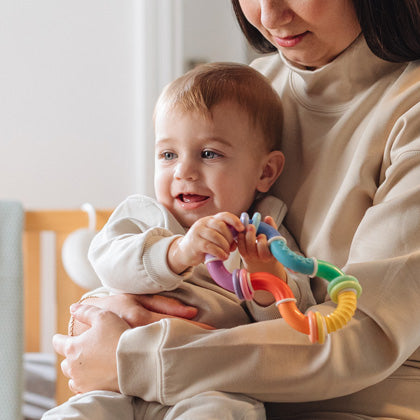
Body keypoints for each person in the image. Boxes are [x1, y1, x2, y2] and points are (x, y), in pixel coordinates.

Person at [48, 1, 420, 419]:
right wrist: (101, 315)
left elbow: (366, 335)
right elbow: (146, 244)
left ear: (269, 170)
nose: (269, 16)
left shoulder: (409, 112)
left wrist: (137, 358)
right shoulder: (249, 88)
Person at [43, 63, 315, 419]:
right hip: (117, 387)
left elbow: (292, 322)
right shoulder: (143, 217)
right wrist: (177, 252)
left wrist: (265, 274)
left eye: (209, 154)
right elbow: (108, 261)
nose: (183, 171)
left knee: (226, 413)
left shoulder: (265, 234)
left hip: (205, 387)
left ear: (265, 172)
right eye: (168, 155)